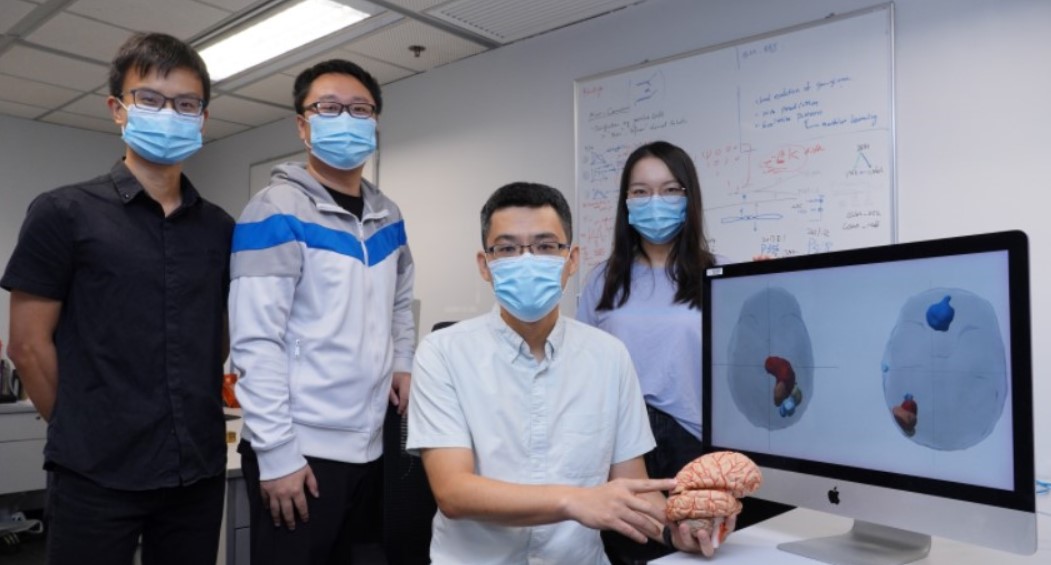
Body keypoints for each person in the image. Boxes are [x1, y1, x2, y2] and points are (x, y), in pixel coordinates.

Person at [1, 32, 232, 564]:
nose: (169, 113)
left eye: (186, 104)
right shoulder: (63, 213)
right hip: (95, 473)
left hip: (194, 469)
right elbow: (28, 347)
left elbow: (212, 337)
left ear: (202, 117)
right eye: (150, 99)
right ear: (117, 110)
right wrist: (85, 425)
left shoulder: (219, 227)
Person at [406, 182, 726, 564]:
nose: (527, 259)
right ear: (484, 265)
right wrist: (576, 500)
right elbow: (453, 492)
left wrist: (680, 531)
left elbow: (634, 489)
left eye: (545, 246)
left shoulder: (609, 356)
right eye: (507, 249)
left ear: (571, 260)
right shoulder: (442, 353)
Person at [229, 58, 415, 564]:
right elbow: (255, 341)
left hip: (371, 445)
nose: (347, 118)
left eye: (360, 109)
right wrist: (277, 454)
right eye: (329, 108)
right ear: (302, 124)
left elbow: (400, 298)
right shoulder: (274, 210)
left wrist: (403, 364)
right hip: (301, 452)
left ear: (375, 121)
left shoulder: (387, 215)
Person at [577, 141, 790, 562]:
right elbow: (580, 371)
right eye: (640, 191)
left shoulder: (721, 275)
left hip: (697, 452)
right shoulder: (601, 280)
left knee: (698, 551)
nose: (654, 201)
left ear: (689, 198)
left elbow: (756, 367)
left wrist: (769, 296)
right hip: (621, 451)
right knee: (631, 550)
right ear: (626, 202)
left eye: (670, 189)